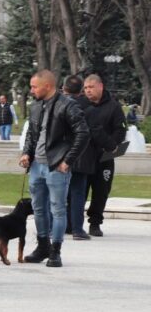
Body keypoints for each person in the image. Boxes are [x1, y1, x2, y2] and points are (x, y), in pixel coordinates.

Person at [19, 70, 90, 268]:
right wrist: (26, 154)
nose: (31, 90)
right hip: (36, 166)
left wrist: (68, 160)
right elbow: (31, 136)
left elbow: (83, 134)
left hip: (56, 167)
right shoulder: (35, 107)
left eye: (34, 87)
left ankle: (55, 251)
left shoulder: (68, 105)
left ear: (48, 86)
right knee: (39, 209)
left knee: (58, 209)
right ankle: (42, 246)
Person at [81, 74, 126, 237]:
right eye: (85, 88)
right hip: (84, 157)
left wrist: (111, 146)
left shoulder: (114, 107)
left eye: (91, 87)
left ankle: (95, 223)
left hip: (104, 157)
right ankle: (74, 223)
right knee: (80, 190)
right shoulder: (80, 104)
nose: (88, 91)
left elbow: (120, 130)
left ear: (101, 86)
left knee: (101, 191)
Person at [61, 76, 96, 241]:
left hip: (61, 155)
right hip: (81, 155)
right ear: (81, 90)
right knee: (77, 193)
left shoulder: (57, 105)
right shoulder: (88, 107)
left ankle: (62, 225)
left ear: (64, 88)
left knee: (60, 193)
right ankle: (77, 228)